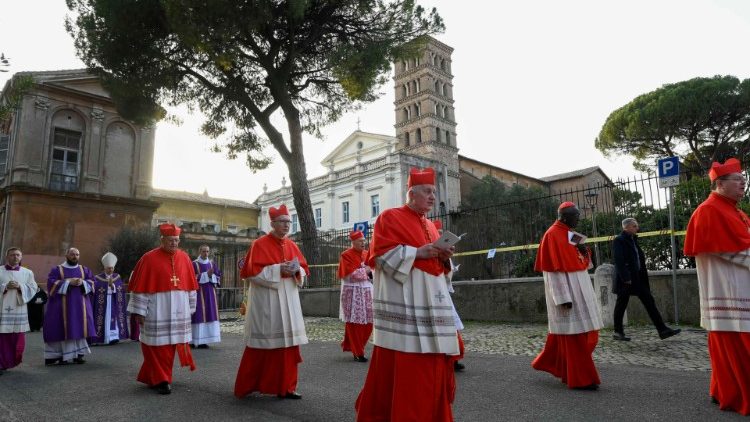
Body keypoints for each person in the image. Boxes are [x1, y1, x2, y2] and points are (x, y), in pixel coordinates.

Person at [356, 167, 459, 422]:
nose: (433, 197)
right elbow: (379, 257)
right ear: (411, 193)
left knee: (432, 365)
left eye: (434, 192)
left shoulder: (431, 227)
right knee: (409, 368)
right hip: (406, 309)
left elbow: (437, 270)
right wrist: (417, 253)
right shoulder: (389, 217)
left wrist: (445, 260)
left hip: (432, 306)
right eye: (427, 191)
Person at [684, 157, 750, 415]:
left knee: (730, 351)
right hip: (730, 295)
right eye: (738, 180)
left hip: (738, 290)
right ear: (719, 183)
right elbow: (730, 251)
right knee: (739, 349)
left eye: (744, 179)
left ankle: (722, 390)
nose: (743, 183)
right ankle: (735, 395)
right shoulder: (709, 210)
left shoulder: (735, 211)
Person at [234, 204, 309, 400]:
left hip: (289, 299)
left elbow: (303, 270)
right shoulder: (259, 244)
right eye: (283, 222)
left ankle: (287, 387)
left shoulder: (292, 246)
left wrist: (296, 271)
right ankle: (251, 384)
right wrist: (277, 270)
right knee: (264, 344)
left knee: (289, 347)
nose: (286, 225)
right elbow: (252, 274)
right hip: (268, 302)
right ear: (273, 223)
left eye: (288, 222)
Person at [531, 202, 603, 390]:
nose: (579, 218)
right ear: (564, 217)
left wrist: (585, 251)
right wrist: (562, 298)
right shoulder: (552, 235)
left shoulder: (571, 234)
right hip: (569, 296)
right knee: (574, 339)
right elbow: (552, 272)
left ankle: (563, 368)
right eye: (576, 216)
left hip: (582, 291)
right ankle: (581, 379)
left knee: (588, 335)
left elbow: (584, 263)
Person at [127, 223, 199, 395]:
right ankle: (162, 379)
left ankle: (157, 376)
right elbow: (141, 287)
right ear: (162, 240)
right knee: (155, 345)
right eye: (170, 240)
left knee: (169, 345)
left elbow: (190, 286)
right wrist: (139, 311)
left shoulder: (185, 258)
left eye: (176, 240)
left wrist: (191, 307)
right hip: (156, 309)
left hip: (179, 310)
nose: (174, 243)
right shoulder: (149, 258)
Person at [612, 218, 681, 341]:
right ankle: (618, 332)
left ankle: (662, 330)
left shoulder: (633, 240)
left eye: (636, 226)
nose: (637, 228)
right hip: (626, 279)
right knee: (621, 304)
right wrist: (626, 277)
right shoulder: (619, 240)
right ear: (626, 227)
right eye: (634, 226)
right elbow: (619, 261)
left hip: (638, 278)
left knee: (649, 301)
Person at [43, 247, 96, 365]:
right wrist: (68, 282)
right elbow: (51, 283)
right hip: (60, 307)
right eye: (72, 254)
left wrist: (83, 282)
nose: (75, 256)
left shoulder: (84, 270)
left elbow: (92, 282)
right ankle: (58, 356)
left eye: (77, 254)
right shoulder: (57, 269)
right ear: (66, 255)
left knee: (79, 327)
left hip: (80, 307)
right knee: (60, 328)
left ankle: (78, 354)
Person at [433, 218, 466, 372]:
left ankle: (453, 358)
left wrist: (446, 259)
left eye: (441, 234)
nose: (439, 236)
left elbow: (447, 274)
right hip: (432, 292)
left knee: (451, 327)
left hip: (442, 293)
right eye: (437, 233)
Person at [0, 247, 38, 375]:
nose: (15, 257)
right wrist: (4, 287)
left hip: (18, 309)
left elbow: (33, 288)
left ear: (21, 257)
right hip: (2, 309)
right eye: (12, 255)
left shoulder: (27, 272)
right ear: (7, 257)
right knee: (2, 338)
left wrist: (20, 287)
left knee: (17, 338)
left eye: (18, 255)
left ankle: (11, 361)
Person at [338, 230, 373, 362]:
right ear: (353, 242)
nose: (363, 243)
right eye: (360, 241)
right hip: (353, 294)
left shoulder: (366, 254)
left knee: (369, 322)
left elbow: (373, 271)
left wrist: (369, 271)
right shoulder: (346, 255)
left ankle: (355, 347)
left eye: (364, 240)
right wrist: (366, 270)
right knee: (355, 323)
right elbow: (348, 275)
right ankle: (358, 352)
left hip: (367, 292)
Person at [89, 252, 129, 345]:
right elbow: (96, 290)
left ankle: (114, 337)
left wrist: (113, 286)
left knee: (114, 319)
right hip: (103, 303)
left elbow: (121, 289)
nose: (110, 270)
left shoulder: (117, 277)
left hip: (114, 302)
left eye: (112, 268)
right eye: (108, 268)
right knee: (105, 319)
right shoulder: (98, 278)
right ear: (104, 268)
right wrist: (107, 286)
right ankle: (104, 337)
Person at [191, 245, 222, 348]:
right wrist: (205, 275)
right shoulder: (194, 264)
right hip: (198, 294)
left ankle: (204, 340)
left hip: (210, 294)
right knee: (198, 315)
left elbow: (218, 277)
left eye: (208, 251)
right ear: (199, 251)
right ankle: (193, 340)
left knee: (209, 314)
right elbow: (191, 278)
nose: (206, 253)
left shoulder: (212, 264)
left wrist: (211, 275)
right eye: (204, 251)